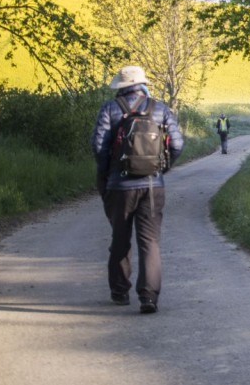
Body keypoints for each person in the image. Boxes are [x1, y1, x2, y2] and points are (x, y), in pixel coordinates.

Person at [91, 65, 183, 314]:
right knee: (150, 241)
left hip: (119, 186)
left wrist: (107, 174)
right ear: (142, 84)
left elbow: (98, 147)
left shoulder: (110, 109)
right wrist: (160, 169)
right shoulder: (160, 109)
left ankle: (120, 291)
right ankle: (149, 297)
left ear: (121, 87)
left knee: (120, 239)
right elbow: (177, 144)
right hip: (153, 186)